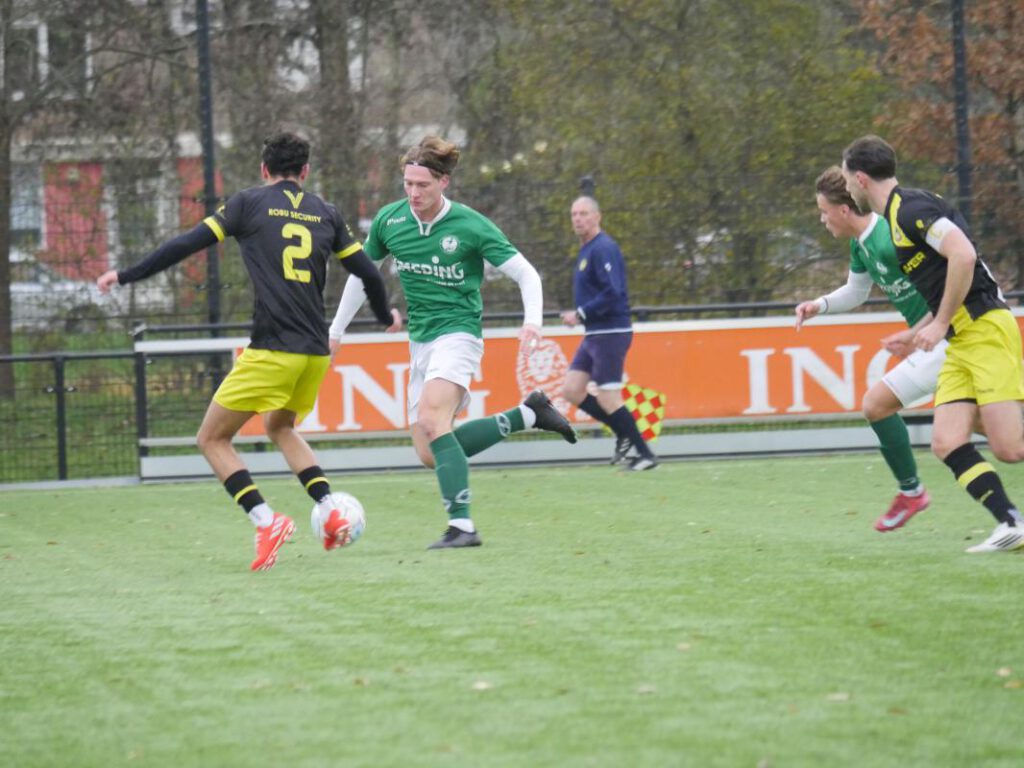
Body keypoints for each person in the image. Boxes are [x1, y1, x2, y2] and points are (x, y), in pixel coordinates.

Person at [97, 132, 402, 571]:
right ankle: (330, 508)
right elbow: (369, 274)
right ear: (305, 172)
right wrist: (384, 315)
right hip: (315, 351)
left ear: (264, 170)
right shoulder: (327, 212)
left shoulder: (248, 204)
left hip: (273, 348)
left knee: (211, 438)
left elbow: (184, 245)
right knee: (281, 426)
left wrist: (126, 275)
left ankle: (265, 520)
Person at [328, 135, 577, 550]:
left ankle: (462, 526)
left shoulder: (470, 225)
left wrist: (532, 323)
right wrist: (336, 331)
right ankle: (528, 415)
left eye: (422, 185)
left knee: (432, 419)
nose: (413, 193)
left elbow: (526, 274)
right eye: (408, 183)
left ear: (443, 182)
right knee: (431, 452)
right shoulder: (391, 221)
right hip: (420, 341)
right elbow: (362, 276)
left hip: (459, 334)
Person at [842, 134, 1024, 553]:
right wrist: (919, 331)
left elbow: (963, 255)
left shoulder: (911, 210)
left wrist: (940, 323)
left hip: (984, 329)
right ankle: (1010, 522)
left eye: (848, 178)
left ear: (862, 178)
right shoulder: (901, 214)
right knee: (947, 442)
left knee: (1010, 448)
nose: (847, 187)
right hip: (961, 340)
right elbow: (945, 279)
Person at [795, 166, 941, 532]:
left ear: (844, 210)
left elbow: (945, 278)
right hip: (931, 339)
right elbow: (856, 292)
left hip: (945, 336)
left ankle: (912, 491)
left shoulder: (890, 236)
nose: (822, 219)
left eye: (824, 211)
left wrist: (919, 332)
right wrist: (818, 305)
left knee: (876, 405)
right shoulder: (859, 244)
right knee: (988, 428)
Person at [559, 196, 658, 471]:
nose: (578, 219)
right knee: (572, 390)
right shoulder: (587, 249)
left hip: (611, 332)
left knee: (608, 397)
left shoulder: (604, 248)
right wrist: (581, 316)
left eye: (584, 213)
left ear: (597, 217)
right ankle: (623, 433)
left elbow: (613, 292)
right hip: (594, 333)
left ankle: (646, 454)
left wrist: (581, 314)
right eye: (574, 214)